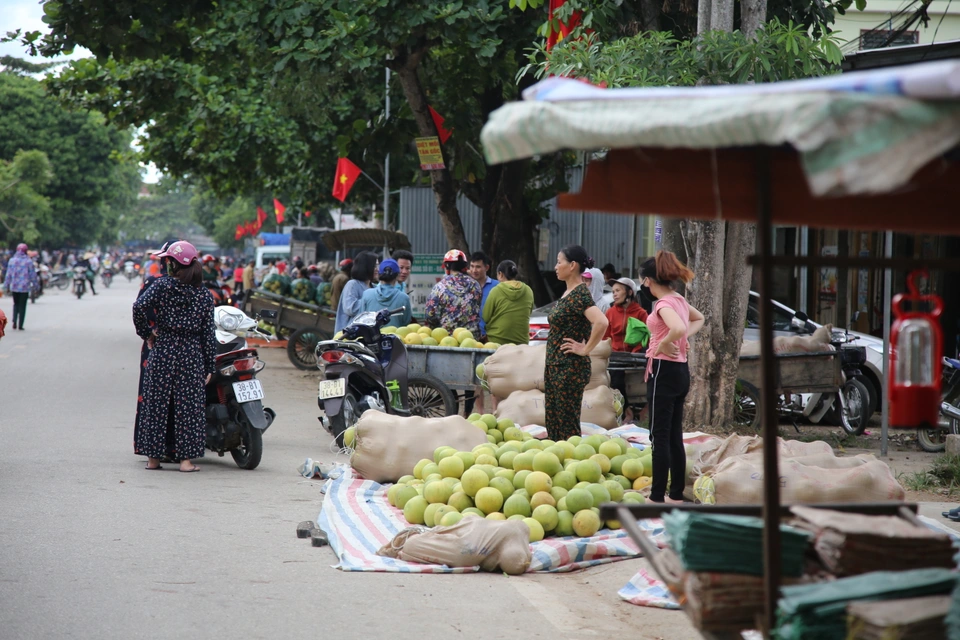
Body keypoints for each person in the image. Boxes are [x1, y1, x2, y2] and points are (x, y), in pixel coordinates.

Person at [132, 241, 217, 473]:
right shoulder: (204, 294)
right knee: (188, 408)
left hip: (164, 349)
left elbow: (138, 307)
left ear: (173, 264)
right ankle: (186, 462)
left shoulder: (162, 286)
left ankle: (153, 460)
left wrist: (147, 333)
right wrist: (210, 364)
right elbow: (209, 333)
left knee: (157, 404)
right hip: (191, 353)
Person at [641, 250, 704, 504]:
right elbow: (698, 319)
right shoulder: (678, 299)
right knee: (674, 434)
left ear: (648, 280)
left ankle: (657, 497)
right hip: (680, 372)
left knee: (659, 435)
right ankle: (676, 494)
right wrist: (681, 338)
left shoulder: (664, 304)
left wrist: (666, 342)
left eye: (643, 280)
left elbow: (678, 326)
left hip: (663, 372)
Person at [543, 246, 609, 441]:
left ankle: (571, 464)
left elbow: (601, 322)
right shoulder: (568, 292)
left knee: (566, 425)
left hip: (569, 368)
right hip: (556, 365)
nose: (555, 267)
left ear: (572, 265)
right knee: (554, 422)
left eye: (559, 261)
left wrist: (585, 349)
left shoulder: (580, 294)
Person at [133, 242, 172, 460]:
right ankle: (179, 448)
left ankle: (151, 449)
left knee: (152, 397)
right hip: (181, 349)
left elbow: (139, 309)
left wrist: (148, 334)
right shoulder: (193, 286)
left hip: (154, 346)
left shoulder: (153, 283)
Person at [425, 249, 481, 337]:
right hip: (471, 336)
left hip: (447, 337)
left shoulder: (440, 286)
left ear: (447, 266)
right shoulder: (475, 285)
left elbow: (430, 314)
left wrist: (436, 327)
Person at [482, 260, 534, 346]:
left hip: (496, 339)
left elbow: (486, 317)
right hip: (521, 342)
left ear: (500, 274)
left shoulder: (496, 290)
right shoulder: (528, 290)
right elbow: (529, 312)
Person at [359, 259, 412, 327]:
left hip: (371, 337)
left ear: (379, 274)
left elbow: (361, 319)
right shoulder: (404, 298)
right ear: (397, 275)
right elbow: (406, 322)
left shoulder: (366, 294)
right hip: (395, 336)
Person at [335, 252, 377, 333]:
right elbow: (350, 308)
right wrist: (371, 300)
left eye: (378, 265)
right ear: (366, 267)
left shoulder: (375, 287)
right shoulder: (353, 284)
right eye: (374, 266)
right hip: (350, 334)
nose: (377, 269)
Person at [604, 277, 648, 353]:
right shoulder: (610, 312)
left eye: (617, 290)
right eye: (613, 292)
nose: (614, 294)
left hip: (636, 359)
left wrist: (636, 351)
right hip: (614, 358)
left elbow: (647, 336)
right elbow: (605, 337)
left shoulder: (641, 313)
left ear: (630, 292)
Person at [3, 243, 40, 330]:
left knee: (16, 304)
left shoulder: (12, 260)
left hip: (14, 287)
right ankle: (20, 325)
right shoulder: (28, 261)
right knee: (22, 305)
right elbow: (33, 275)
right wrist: (36, 286)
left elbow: (8, 274)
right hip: (24, 288)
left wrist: (6, 286)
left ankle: (14, 321)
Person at [468, 251, 498, 339]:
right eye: (472, 266)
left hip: (490, 336)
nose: (474, 270)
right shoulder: (465, 287)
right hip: (468, 336)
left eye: (478, 267)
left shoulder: (497, 287)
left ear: (487, 267)